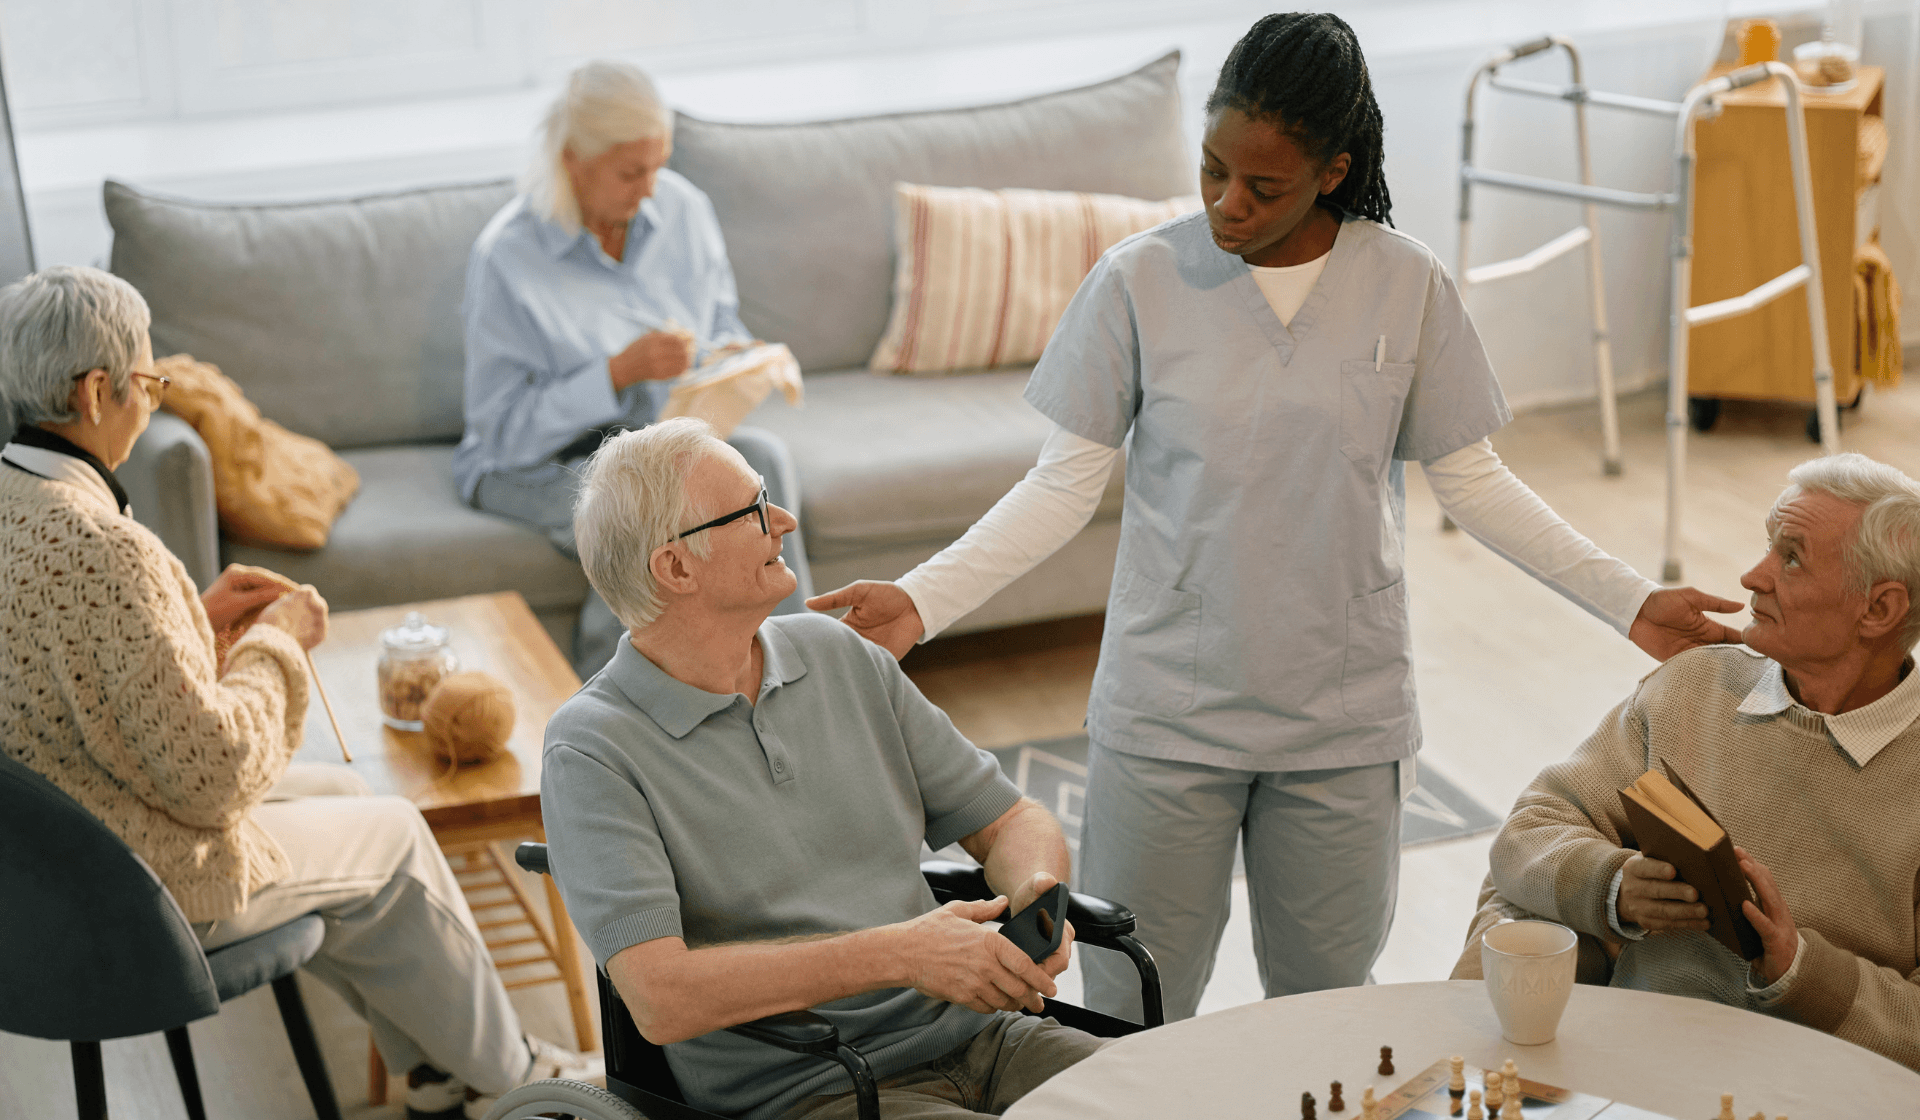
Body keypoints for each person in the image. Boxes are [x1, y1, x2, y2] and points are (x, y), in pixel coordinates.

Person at [807, 12, 1744, 1023]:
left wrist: (1630, 603)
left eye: (1263, 186)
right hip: (1169, 714)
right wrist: (918, 601)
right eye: (1212, 170)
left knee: (1330, 1010)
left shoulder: (1406, 283)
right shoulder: (1138, 279)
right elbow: (1062, 484)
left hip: (1341, 717)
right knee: (1130, 1010)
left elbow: (1471, 481)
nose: (1225, 203)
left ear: (1335, 170)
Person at [0, 266, 593, 1120]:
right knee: (390, 828)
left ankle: (436, 1076)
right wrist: (279, 641)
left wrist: (190, 627)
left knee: (346, 792)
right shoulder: (103, 547)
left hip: (59, 858)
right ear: (96, 392)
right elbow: (213, 773)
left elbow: (69, 685)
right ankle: (522, 1077)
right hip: (137, 883)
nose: (152, 401)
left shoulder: (19, 502)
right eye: (147, 382)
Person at [541, 418, 1104, 1120]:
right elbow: (660, 997)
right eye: (752, 510)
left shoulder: (838, 655)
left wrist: (1034, 893)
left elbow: (1011, 818)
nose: (784, 520)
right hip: (818, 1090)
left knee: (1190, 1094)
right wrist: (902, 955)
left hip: (992, 1035)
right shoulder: (593, 749)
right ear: (676, 567)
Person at [1450, 453, 1920, 1071]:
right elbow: (1530, 830)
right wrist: (1614, 887)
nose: (1754, 576)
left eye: (1793, 558)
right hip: (1630, 1070)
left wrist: (1801, 968)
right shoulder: (1693, 687)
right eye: (1768, 548)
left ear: (1879, 610)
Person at [455, 59, 812, 677]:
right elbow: (503, 433)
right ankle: (617, 722)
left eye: (659, 164)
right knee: (638, 519)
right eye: (630, 172)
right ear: (573, 160)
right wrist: (616, 373)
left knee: (764, 468)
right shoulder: (507, 258)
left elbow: (721, 324)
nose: (650, 189)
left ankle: (799, 678)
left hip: (660, 438)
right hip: (536, 463)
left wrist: (737, 360)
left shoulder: (684, 210)